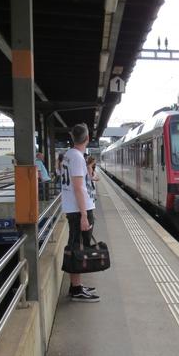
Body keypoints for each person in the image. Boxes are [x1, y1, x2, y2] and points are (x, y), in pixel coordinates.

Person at [61, 124, 100, 302]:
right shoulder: (77, 157)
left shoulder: (69, 155)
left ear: (72, 136)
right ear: (87, 138)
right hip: (78, 210)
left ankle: (76, 286)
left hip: (73, 208)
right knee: (77, 248)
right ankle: (76, 290)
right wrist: (84, 215)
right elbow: (78, 188)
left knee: (77, 246)